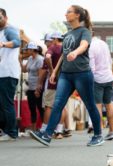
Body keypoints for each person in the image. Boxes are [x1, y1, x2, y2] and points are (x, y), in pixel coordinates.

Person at [30, 5, 103, 147]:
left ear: (77, 15)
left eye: (68, 12)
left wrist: (75, 53)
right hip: (65, 75)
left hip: (82, 73)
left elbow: (84, 45)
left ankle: (98, 135)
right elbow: (64, 55)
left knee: (90, 105)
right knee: (57, 104)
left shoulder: (85, 31)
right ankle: (47, 135)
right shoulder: (67, 34)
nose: (65, 14)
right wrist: (55, 72)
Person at [36, 31, 70, 139]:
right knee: (62, 106)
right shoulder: (67, 48)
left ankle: (43, 130)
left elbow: (47, 57)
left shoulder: (53, 48)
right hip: (66, 81)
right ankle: (59, 131)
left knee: (49, 106)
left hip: (53, 81)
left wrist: (52, 71)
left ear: (55, 39)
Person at [89, 35, 113, 140]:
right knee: (109, 103)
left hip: (98, 79)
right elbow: (110, 61)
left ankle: (99, 132)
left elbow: (91, 67)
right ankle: (112, 130)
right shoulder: (104, 44)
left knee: (98, 105)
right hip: (109, 77)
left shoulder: (91, 46)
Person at [0, 8, 21, 141]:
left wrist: (3, 44)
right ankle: (5, 130)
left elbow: (17, 42)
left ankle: (11, 132)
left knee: (6, 103)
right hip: (3, 72)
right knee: (2, 103)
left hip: (8, 72)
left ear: (6, 18)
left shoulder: (9, 29)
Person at [19, 42, 44, 131]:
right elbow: (24, 70)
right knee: (32, 108)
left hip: (37, 87)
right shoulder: (30, 58)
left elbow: (41, 74)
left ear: (32, 50)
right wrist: (20, 61)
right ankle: (33, 129)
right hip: (30, 87)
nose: (26, 51)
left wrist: (38, 88)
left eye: (27, 50)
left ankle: (44, 128)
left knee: (40, 108)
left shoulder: (40, 59)